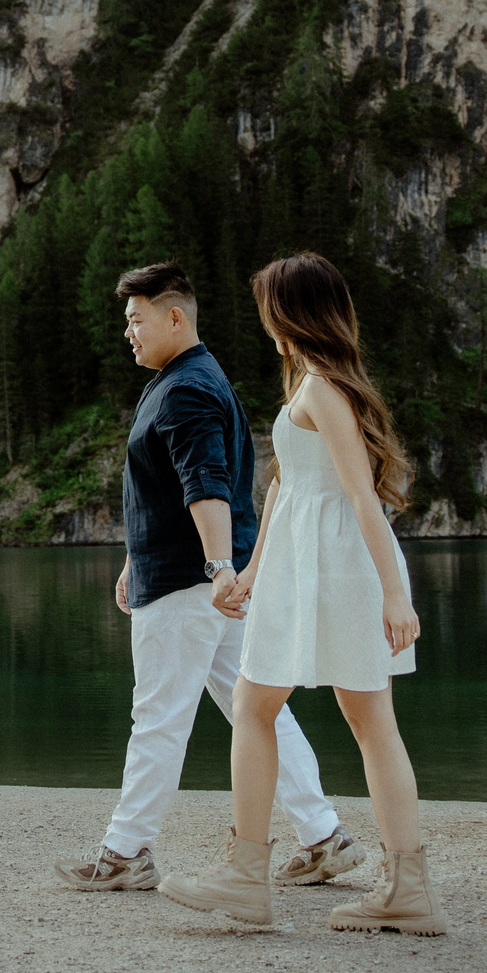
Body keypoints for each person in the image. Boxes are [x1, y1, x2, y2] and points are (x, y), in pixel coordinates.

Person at [56, 262, 364, 893]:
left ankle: (126, 852)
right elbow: (168, 489)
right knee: (258, 710)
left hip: (191, 583)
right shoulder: (186, 379)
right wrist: (134, 561)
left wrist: (220, 568)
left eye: (137, 320)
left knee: (160, 715)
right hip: (194, 577)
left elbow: (207, 488)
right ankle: (323, 836)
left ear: (176, 317)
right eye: (125, 323)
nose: (129, 333)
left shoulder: (187, 389)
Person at [158, 250, 441, 934]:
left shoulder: (321, 390)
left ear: (289, 313)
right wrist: (251, 574)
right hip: (314, 565)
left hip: (335, 567)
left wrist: (395, 597)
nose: (263, 320)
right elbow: (287, 488)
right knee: (366, 723)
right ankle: (406, 887)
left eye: (267, 307)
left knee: (259, 706)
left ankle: (247, 879)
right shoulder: (318, 382)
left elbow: (361, 498)